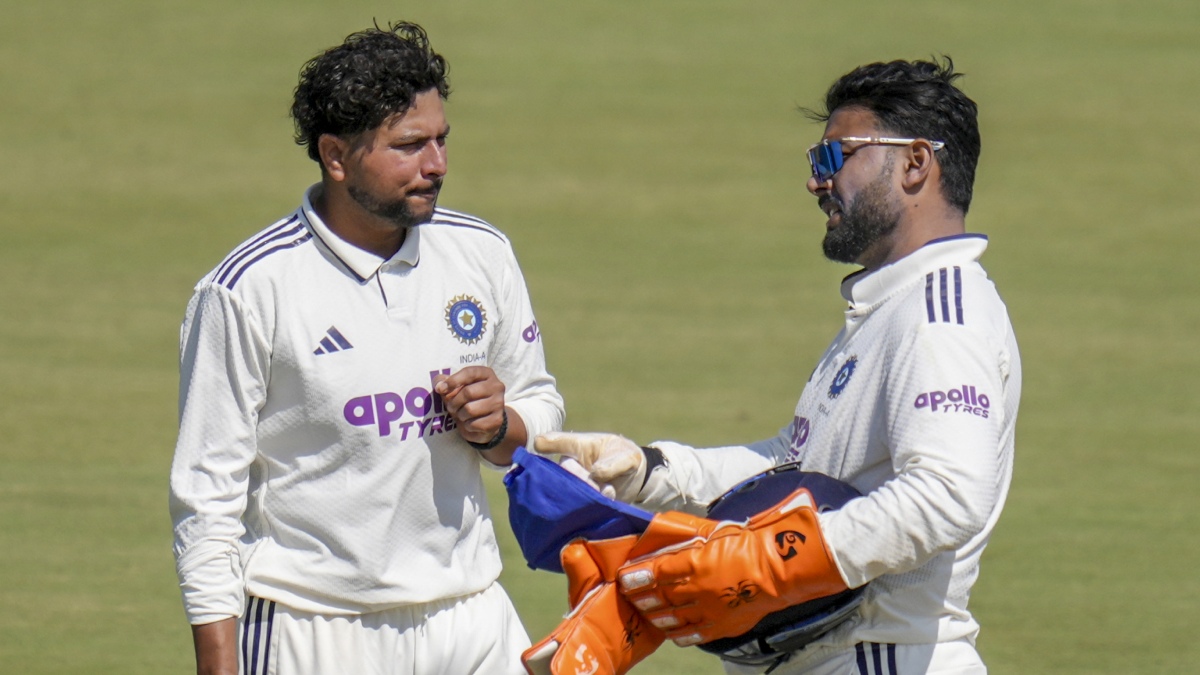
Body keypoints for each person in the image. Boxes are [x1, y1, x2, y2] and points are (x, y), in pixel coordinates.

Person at [536, 57, 1020, 674]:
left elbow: (949, 495)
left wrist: (771, 559)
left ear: (916, 163)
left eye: (835, 156)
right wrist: (652, 471)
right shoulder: (889, 307)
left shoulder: (940, 316)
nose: (817, 181)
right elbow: (795, 462)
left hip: (883, 657)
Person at [168, 21, 564, 675]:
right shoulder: (247, 290)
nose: (436, 165)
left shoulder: (481, 251)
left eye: (440, 140)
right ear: (335, 155)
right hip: (315, 628)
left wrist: (502, 425)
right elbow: (206, 497)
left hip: (470, 615)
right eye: (408, 146)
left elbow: (540, 410)